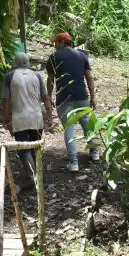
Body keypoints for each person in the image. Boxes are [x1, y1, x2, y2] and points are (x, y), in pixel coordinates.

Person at [45, 32, 99, 172]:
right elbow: (89, 77)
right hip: (82, 96)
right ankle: (95, 153)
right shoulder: (82, 56)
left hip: (64, 98)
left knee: (69, 128)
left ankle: (74, 162)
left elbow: (50, 79)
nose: (54, 45)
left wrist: (49, 96)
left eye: (56, 42)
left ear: (62, 42)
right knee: (86, 123)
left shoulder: (54, 57)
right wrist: (93, 96)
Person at [2, 52, 53, 187]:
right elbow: (46, 98)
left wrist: (7, 120)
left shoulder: (9, 76)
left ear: (15, 63)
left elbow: (5, 100)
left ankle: (34, 177)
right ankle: (36, 174)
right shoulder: (37, 76)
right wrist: (50, 117)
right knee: (34, 147)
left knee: (23, 149)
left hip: (20, 118)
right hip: (37, 118)